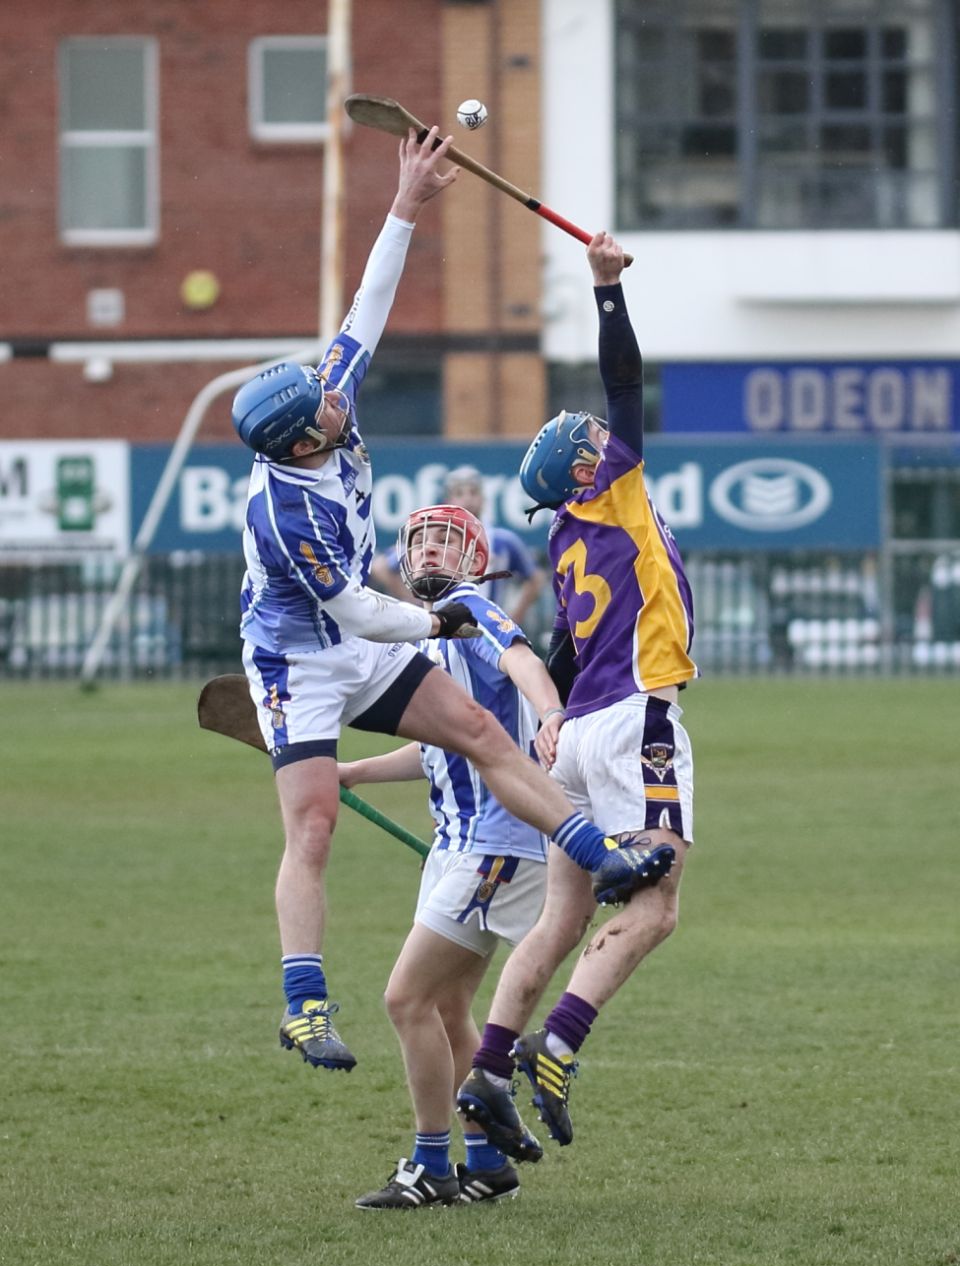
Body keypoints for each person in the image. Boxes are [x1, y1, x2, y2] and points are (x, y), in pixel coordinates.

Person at [231, 133, 670, 1080]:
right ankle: (303, 1003)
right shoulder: (282, 516)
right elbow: (354, 611)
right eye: (326, 404)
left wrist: (407, 205)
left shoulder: (321, 404)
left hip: (363, 637)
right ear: (305, 442)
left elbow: (365, 315)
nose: (339, 393)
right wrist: (437, 623)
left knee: (476, 726)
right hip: (300, 656)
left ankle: (595, 850)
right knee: (312, 821)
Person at [456, 230, 698, 1158]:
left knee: (561, 917)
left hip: (581, 733)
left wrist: (544, 731)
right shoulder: (616, 493)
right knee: (657, 904)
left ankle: (486, 1068)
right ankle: (556, 1046)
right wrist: (605, 291)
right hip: (639, 718)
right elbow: (627, 383)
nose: (605, 433)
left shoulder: (563, 538)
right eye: (594, 440)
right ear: (591, 469)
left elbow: (561, 650)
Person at [345, 504, 561, 1209]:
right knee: (444, 1007)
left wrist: (551, 713)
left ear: (475, 559)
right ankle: (486, 1162)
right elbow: (437, 747)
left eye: (449, 540)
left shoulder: (470, 609)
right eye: (420, 540)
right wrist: (351, 773)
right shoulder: (432, 639)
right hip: (460, 845)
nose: (432, 550)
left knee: (405, 999)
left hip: (494, 844)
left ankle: (431, 1166)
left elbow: (521, 657)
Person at [371, 465, 546, 625]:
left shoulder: (504, 541)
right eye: (459, 493)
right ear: (448, 499)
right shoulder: (434, 537)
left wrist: (514, 617)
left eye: (473, 492)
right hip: (443, 627)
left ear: (484, 499)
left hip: (487, 624)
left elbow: (535, 578)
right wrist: (414, 603)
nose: (467, 499)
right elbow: (381, 566)